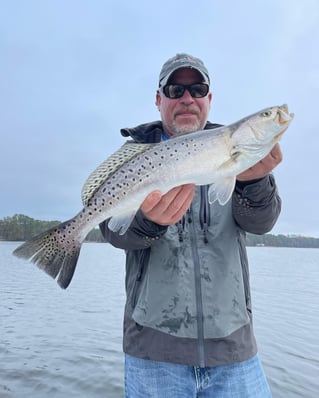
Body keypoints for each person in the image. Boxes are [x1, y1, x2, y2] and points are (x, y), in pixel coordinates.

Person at [100, 53, 281, 397]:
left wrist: (254, 180)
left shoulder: (234, 153)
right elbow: (112, 231)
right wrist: (147, 222)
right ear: (159, 100)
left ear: (209, 99)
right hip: (153, 353)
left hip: (234, 351)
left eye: (197, 89)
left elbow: (262, 223)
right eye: (175, 89)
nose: (187, 99)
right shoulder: (136, 154)